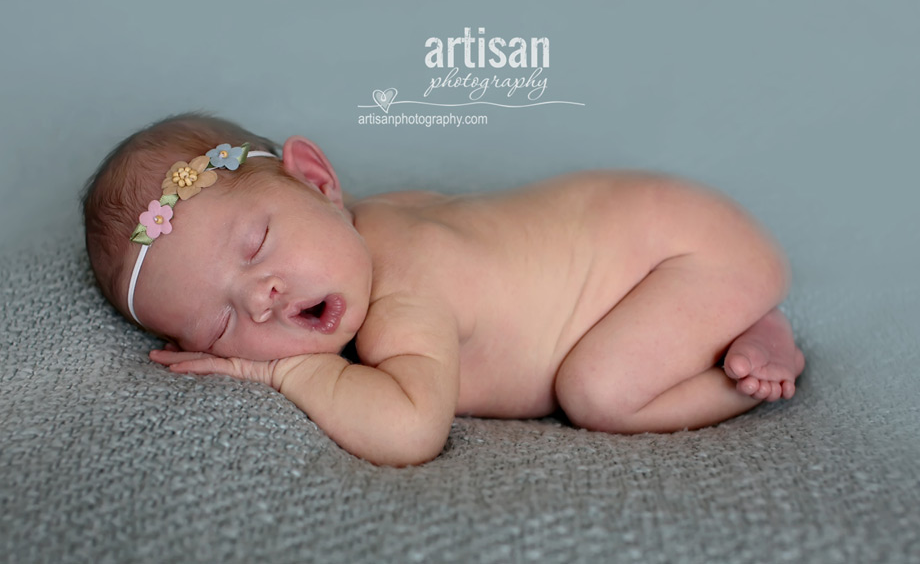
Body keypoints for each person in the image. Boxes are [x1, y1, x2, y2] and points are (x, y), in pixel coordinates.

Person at [82, 113, 805, 467]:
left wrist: (282, 367)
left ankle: (741, 361)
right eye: (219, 322)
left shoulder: (407, 297)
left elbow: (411, 428)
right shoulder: (373, 218)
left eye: (256, 245)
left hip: (686, 254)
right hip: (660, 215)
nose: (262, 296)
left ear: (320, 180)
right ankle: (725, 314)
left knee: (601, 391)